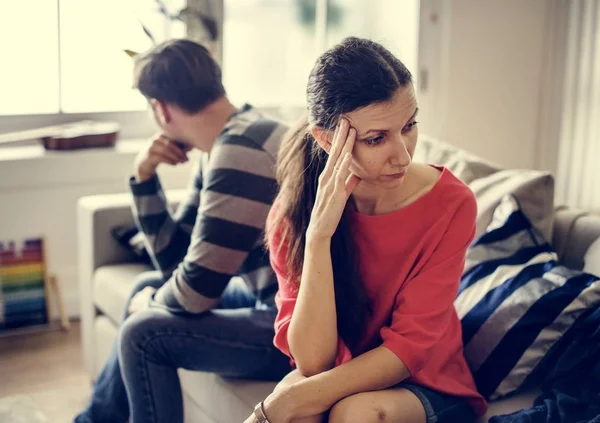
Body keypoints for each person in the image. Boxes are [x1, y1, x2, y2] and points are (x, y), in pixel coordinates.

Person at [245, 37, 488, 423]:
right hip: (341, 370)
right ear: (327, 140)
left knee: (348, 411)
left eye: (409, 126)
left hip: (427, 383)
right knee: (300, 411)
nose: (404, 155)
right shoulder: (293, 212)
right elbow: (313, 360)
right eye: (377, 138)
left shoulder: (452, 205)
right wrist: (318, 237)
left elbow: (408, 352)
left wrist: (287, 401)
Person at [75, 38, 291, 423]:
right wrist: (143, 178)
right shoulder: (235, 135)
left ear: (159, 108)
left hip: (300, 333)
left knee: (144, 333)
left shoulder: (240, 151)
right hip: (277, 304)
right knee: (145, 286)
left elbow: (195, 296)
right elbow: (177, 261)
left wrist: (157, 302)